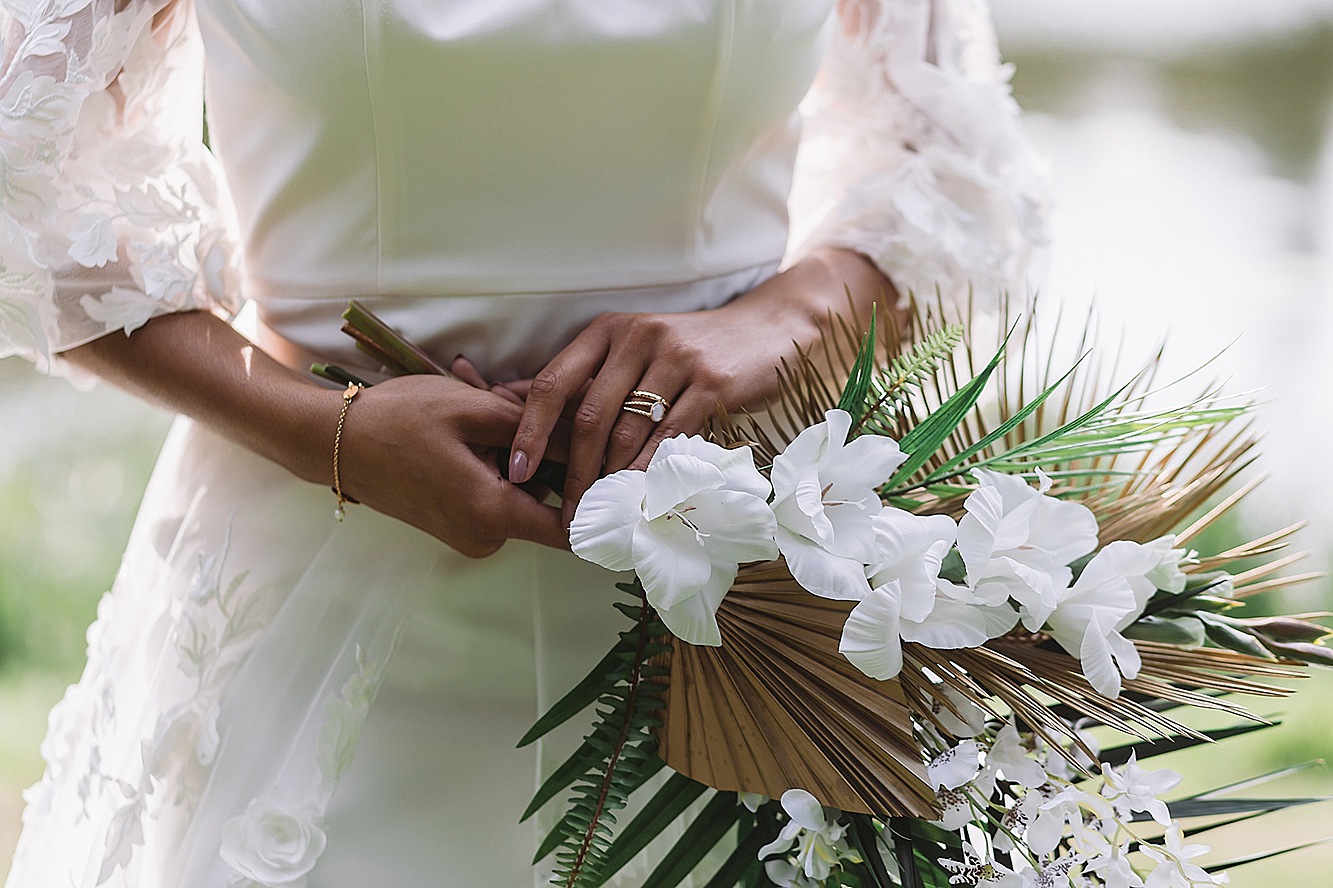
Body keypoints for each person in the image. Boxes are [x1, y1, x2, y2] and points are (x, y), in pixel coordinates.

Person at [0, 0, 1046, 885]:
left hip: (749, 601)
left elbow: (951, 166)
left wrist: (782, 317)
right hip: (316, 560)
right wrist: (329, 431)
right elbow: (25, 166)